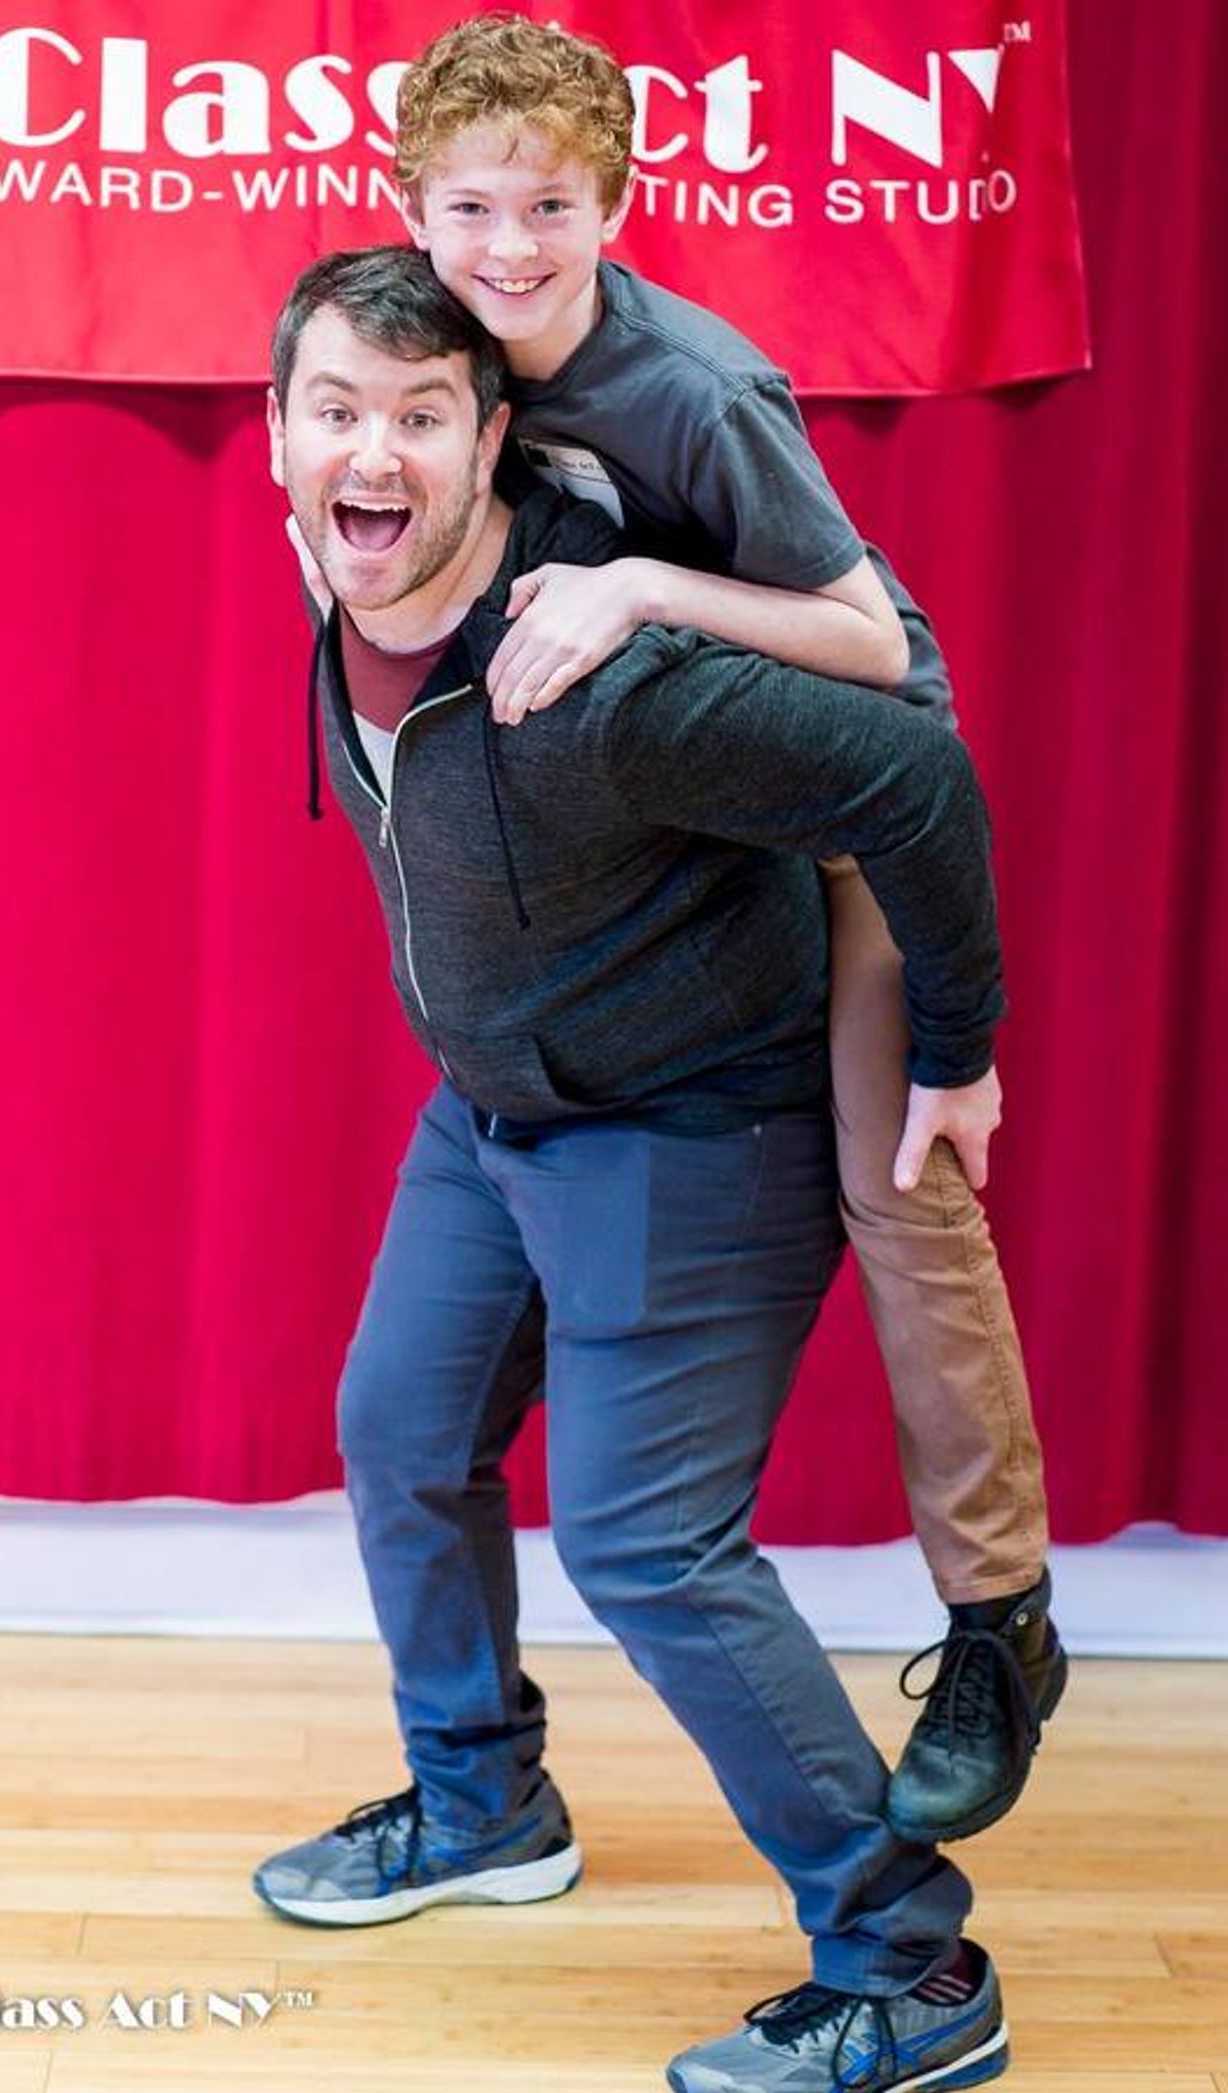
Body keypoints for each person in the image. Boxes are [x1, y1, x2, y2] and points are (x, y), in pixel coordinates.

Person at [253, 243, 1016, 2093]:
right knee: (402, 1431)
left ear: (495, 437)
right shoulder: (328, 553)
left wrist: (954, 1047)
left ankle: (910, 1962)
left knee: (643, 1540)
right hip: (492, 1111)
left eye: (423, 416)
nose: (373, 454)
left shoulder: (610, 667)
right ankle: (481, 1806)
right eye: (335, 410)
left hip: (695, 1119)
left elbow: (911, 778)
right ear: (274, 433)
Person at [390, 13, 1064, 1848]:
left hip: (855, 790)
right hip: (693, 795)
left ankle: (1000, 1619)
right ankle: (476, 1802)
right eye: (471, 204)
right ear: (416, 207)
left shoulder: (691, 386)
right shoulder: (441, 334)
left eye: (549, 204)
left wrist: (632, 585)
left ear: (616, 201)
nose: (509, 242)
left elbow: (868, 646)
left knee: (900, 1173)